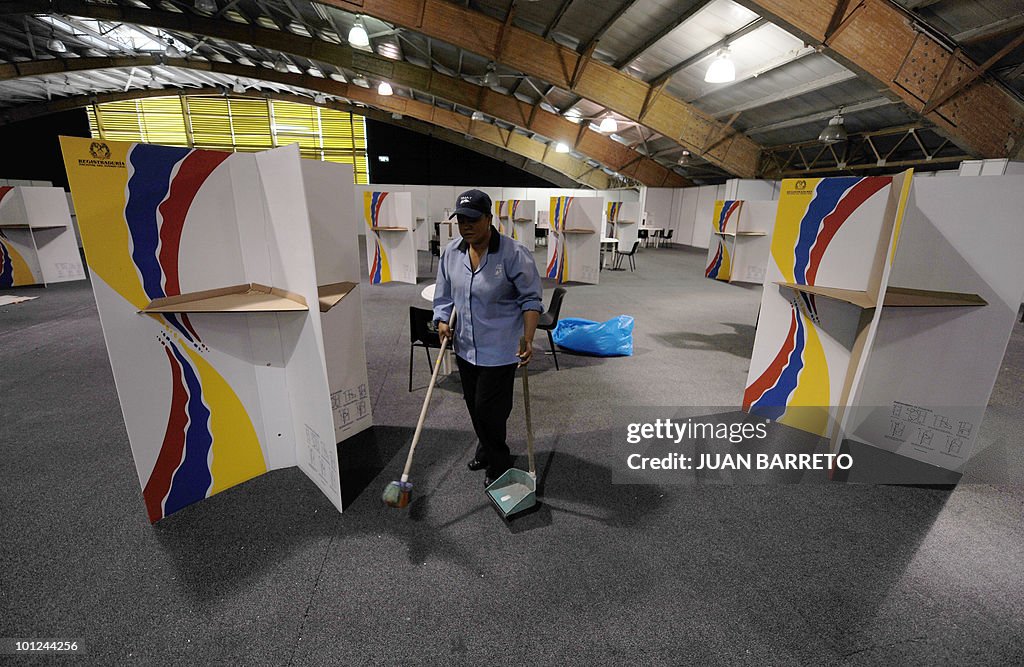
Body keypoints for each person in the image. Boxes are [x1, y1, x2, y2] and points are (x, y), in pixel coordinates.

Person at [433, 189, 544, 487]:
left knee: (489, 409)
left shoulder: (513, 253)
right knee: (473, 405)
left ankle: (499, 462)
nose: (466, 226)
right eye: (461, 221)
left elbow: (531, 300)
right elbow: (443, 295)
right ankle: (485, 447)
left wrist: (529, 338)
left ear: (488, 218)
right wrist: (442, 320)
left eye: (472, 219)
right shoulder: (452, 253)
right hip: (466, 347)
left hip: (500, 348)